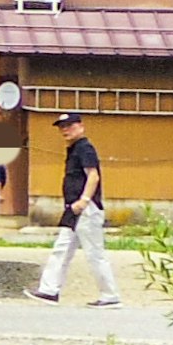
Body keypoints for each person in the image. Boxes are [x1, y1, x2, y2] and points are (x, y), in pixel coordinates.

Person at [34, 110, 119, 305]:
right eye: (62, 127)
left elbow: (93, 176)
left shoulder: (85, 148)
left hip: (85, 209)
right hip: (73, 209)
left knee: (94, 253)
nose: (65, 130)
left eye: (70, 126)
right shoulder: (74, 149)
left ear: (80, 126)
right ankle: (49, 290)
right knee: (61, 249)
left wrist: (84, 200)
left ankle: (110, 295)